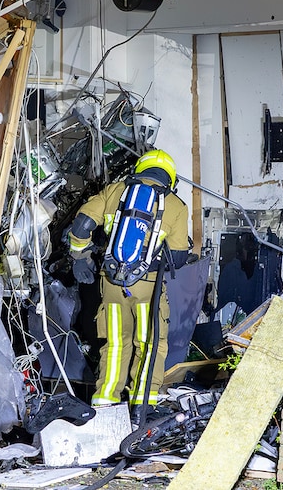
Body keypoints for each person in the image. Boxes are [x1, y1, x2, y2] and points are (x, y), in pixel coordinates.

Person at [67, 149, 190, 426]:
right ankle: (142, 407)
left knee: (114, 344)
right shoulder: (175, 205)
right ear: (169, 178)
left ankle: (105, 402)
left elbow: (83, 224)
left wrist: (81, 255)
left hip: (112, 284)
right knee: (149, 344)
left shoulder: (115, 191)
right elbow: (180, 256)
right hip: (148, 288)